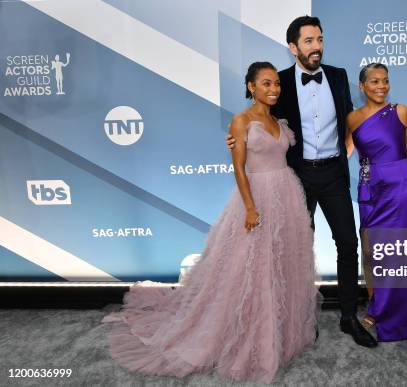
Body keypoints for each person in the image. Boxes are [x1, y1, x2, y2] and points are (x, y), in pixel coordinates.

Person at [101, 62, 318, 383]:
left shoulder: (279, 122)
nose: (274, 89)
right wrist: (250, 208)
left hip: (286, 194)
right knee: (252, 269)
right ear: (250, 87)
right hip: (257, 197)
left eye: (276, 84)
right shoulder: (241, 121)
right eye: (266, 84)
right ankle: (251, 336)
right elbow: (240, 168)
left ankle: (279, 332)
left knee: (281, 264)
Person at [227, 16, 377, 348]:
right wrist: (238, 140)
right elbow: (260, 123)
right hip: (297, 177)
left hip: (334, 174)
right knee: (296, 249)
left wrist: (344, 155)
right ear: (293, 47)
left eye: (319, 39)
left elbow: (350, 122)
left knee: (347, 244)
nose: (317, 47)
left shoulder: (338, 77)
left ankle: (349, 316)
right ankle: (298, 317)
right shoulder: (278, 83)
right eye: (308, 41)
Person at [344, 63, 407, 341]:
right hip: (369, 187)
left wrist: (398, 173)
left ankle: (402, 309)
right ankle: (376, 304)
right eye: (374, 81)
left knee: (400, 249)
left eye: (385, 81)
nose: (381, 86)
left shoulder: (400, 111)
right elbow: (345, 152)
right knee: (371, 250)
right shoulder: (352, 118)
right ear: (362, 86)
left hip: (399, 185)